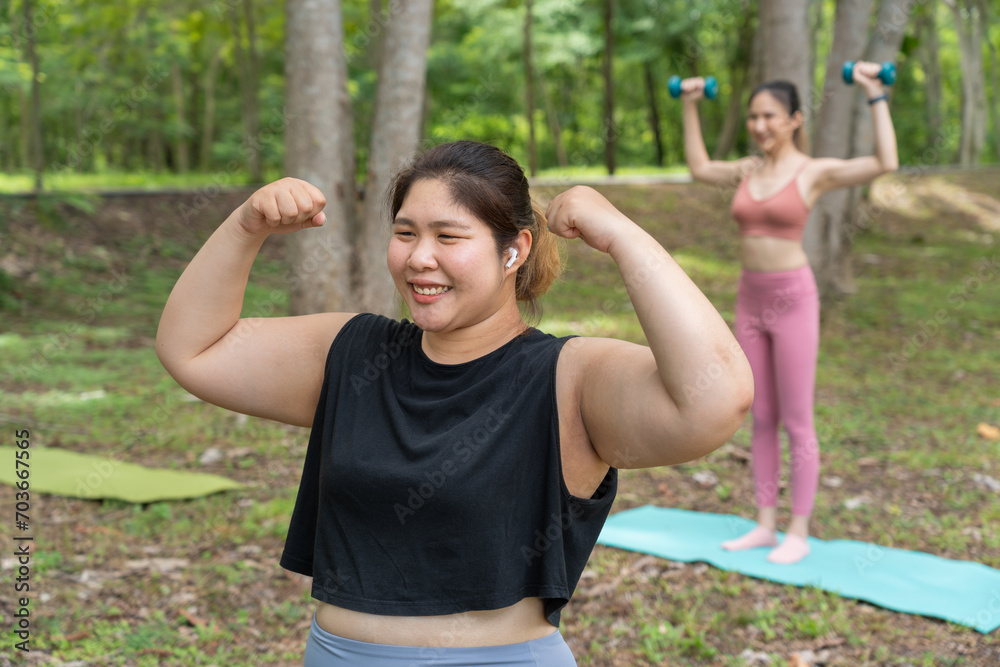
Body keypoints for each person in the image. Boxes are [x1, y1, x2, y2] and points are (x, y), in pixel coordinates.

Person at [156, 140, 754, 666]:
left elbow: (715, 399)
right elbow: (194, 350)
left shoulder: (567, 376)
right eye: (406, 232)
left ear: (514, 250)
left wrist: (623, 236)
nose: (419, 257)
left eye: (449, 236)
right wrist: (245, 226)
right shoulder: (354, 353)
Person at [678, 65, 898, 564]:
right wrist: (690, 103)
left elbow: (886, 160)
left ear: (795, 119)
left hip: (794, 298)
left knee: (798, 419)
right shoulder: (746, 170)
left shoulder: (813, 171)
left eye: (770, 116)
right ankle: (764, 524)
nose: (759, 125)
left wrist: (873, 91)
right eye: (754, 117)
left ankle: (798, 530)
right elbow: (697, 168)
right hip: (750, 298)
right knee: (760, 415)